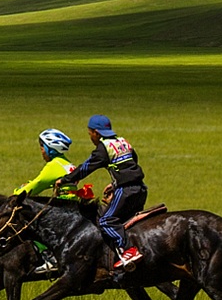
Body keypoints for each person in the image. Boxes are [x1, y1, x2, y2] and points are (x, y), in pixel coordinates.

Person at [56, 115, 147, 269]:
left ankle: (128, 250)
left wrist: (65, 180)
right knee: (127, 222)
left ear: (96, 133)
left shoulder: (104, 148)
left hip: (126, 191)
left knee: (106, 220)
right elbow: (132, 163)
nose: (91, 137)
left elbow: (86, 168)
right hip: (141, 188)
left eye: (90, 133)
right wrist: (115, 183)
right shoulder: (123, 142)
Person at [16, 129, 91, 274]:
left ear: (50, 149)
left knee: (30, 225)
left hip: (62, 206)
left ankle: (49, 257)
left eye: (42, 147)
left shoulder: (53, 166)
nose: (41, 151)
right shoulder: (66, 163)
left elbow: (37, 185)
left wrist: (17, 193)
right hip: (73, 205)